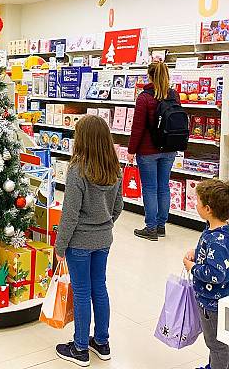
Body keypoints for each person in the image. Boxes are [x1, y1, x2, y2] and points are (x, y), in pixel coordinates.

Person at [55, 115, 123, 367]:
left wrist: (60, 246)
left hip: (80, 242)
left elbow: (70, 214)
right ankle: (102, 342)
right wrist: (104, 226)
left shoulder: (77, 171)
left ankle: (80, 347)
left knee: (82, 292)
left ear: (81, 139)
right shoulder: (115, 168)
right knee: (99, 288)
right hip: (103, 240)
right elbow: (118, 207)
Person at [128, 61, 180, 241]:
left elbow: (138, 128)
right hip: (169, 148)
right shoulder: (173, 95)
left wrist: (131, 150)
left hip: (148, 151)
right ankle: (161, 226)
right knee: (163, 187)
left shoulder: (144, 98)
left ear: (149, 76)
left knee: (150, 188)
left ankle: (150, 229)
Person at [183, 179, 229, 369]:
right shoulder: (219, 230)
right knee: (222, 341)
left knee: (216, 343)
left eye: (197, 202)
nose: (195, 205)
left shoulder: (216, 241)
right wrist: (198, 253)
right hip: (221, 300)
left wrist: (192, 268)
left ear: (208, 209)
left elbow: (217, 274)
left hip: (212, 303)